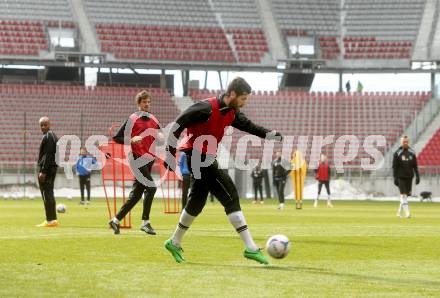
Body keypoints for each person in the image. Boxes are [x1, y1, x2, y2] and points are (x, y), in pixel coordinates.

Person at [163, 77, 282, 264]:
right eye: (243, 99)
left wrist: (269, 134)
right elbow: (177, 126)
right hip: (196, 155)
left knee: (197, 201)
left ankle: (174, 241)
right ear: (232, 94)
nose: (244, 103)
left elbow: (249, 126)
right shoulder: (205, 108)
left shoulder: (232, 112)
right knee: (230, 194)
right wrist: (169, 155)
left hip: (205, 156)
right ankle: (250, 248)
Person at [108, 90, 163, 235]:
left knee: (136, 195)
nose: (147, 104)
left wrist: (161, 136)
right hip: (137, 158)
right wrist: (131, 140)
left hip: (149, 159)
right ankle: (145, 222)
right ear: (138, 104)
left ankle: (115, 220)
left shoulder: (153, 119)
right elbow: (117, 138)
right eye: (144, 102)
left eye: (149, 102)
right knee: (151, 188)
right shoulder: (132, 118)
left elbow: (159, 134)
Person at [36, 116, 59, 227]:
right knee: (49, 193)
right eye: (41, 125)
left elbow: (48, 155)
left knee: (46, 194)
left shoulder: (49, 136)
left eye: (45, 124)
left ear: (50, 124)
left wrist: (43, 171)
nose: (43, 127)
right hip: (51, 168)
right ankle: (53, 219)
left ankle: (50, 220)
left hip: (47, 169)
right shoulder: (52, 135)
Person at [393, 136, 420, 218]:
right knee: (403, 195)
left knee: (406, 196)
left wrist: (417, 176)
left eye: (406, 142)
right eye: (404, 142)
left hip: (409, 177)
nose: (405, 143)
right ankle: (407, 213)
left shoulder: (412, 152)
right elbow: (394, 166)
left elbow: (415, 166)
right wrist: (395, 178)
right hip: (400, 177)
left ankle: (399, 212)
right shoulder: (397, 153)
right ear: (401, 142)